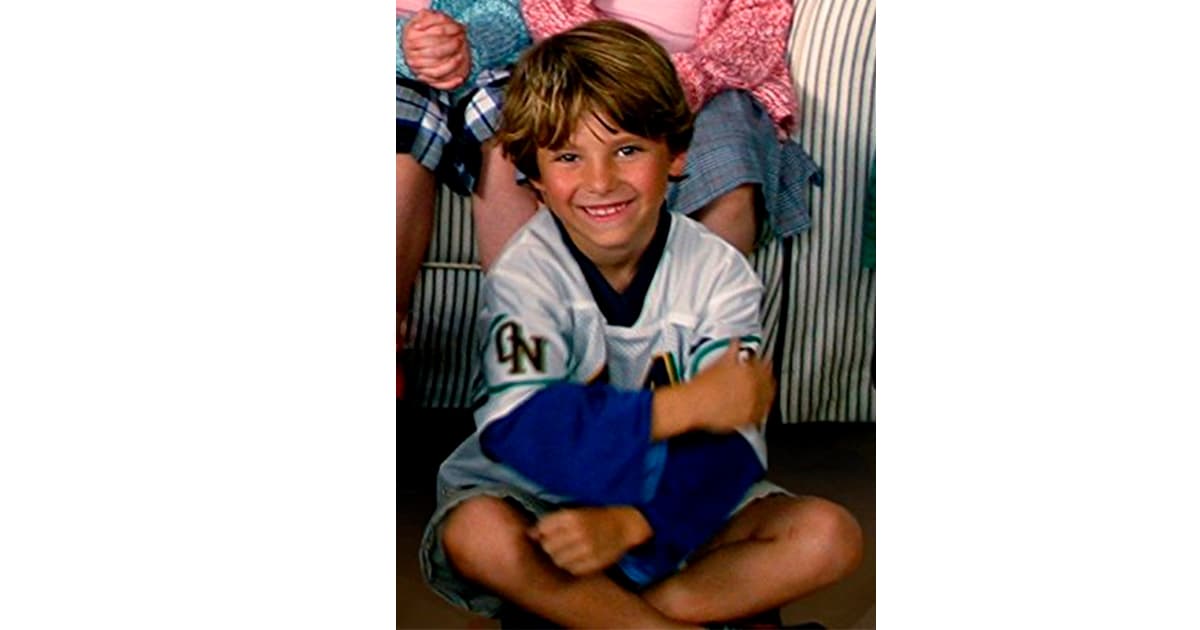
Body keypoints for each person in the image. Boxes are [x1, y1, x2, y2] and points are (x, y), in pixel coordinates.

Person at [418, 21, 861, 628]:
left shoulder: (718, 272)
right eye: (568, 157)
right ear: (536, 179)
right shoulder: (527, 274)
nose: (600, 181)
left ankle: (595, 618)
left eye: (627, 150)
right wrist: (681, 408)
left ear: (675, 154)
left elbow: (732, 445)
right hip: (540, 505)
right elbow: (526, 429)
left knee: (826, 534)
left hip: (672, 499)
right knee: (477, 532)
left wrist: (637, 522)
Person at [518, 0, 822, 256]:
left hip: (714, 81)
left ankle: (710, 301)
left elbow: (759, 19)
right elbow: (548, 9)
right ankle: (522, 298)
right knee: (513, 147)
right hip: (592, 75)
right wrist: (608, 74)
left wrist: (687, 78)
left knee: (732, 164)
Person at [397, 0, 539, 397]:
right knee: (396, 135)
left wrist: (468, 46)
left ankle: (524, 346)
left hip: (485, 59)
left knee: (506, 127)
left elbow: (512, 13)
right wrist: (405, 48)